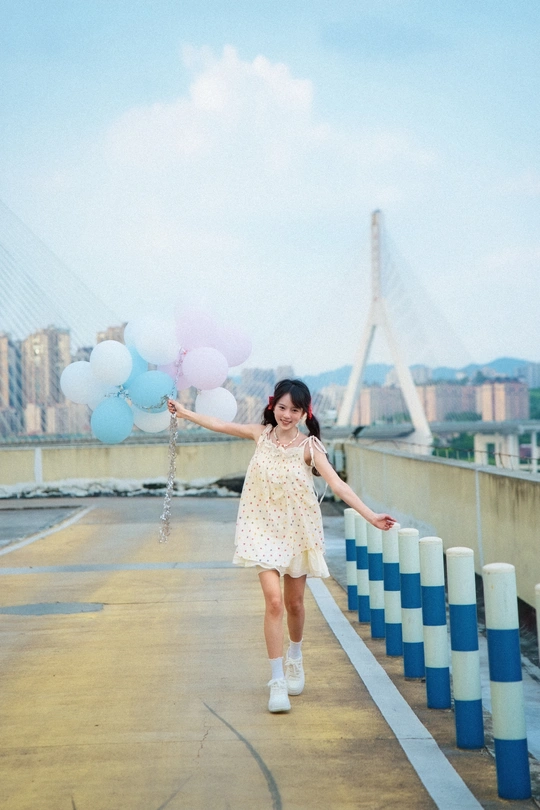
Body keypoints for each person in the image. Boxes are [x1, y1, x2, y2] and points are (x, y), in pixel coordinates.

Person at [167, 378, 395, 714]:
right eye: (282, 407)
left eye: (294, 410)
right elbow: (220, 424)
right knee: (274, 602)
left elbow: (338, 486)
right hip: (261, 528)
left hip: (296, 530)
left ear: (304, 413)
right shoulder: (260, 435)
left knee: (295, 604)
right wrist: (185, 413)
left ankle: (295, 657)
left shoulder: (310, 448)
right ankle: (277, 681)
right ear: (273, 406)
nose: (286, 415)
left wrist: (371, 516)